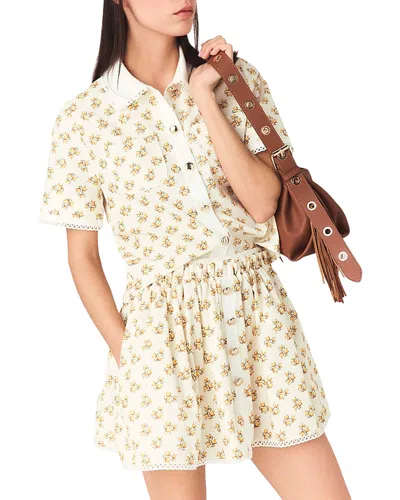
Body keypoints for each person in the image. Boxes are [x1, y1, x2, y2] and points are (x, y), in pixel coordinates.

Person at [38, 1, 351, 498]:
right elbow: (83, 258)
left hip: (256, 316)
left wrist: (205, 95)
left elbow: (262, 204)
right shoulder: (84, 119)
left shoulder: (233, 79)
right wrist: (129, 354)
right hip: (159, 337)